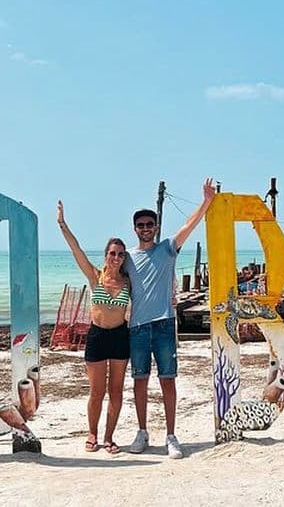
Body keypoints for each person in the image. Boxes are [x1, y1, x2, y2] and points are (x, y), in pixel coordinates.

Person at [124, 178, 216, 459]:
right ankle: (142, 431)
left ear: (156, 227)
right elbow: (108, 280)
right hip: (137, 327)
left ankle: (171, 436)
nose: (145, 229)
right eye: (141, 225)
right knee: (140, 381)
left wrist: (206, 201)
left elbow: (189, 225)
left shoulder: (167, 249)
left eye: (149, 225)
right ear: (135, 228)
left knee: (168, 380)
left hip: (164, 324)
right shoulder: (127, 257)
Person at [57, 200, 130, 454]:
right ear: (106, 255)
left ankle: (109, 437)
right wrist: (62, 224)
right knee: (97, 392)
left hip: (120, 336)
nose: (116, 258)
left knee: (116, 392)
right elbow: (76, 249)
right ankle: (92, 433)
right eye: (113, 253)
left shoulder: (128, 282)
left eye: (121, 254)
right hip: (97, 336)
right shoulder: (95, 276)